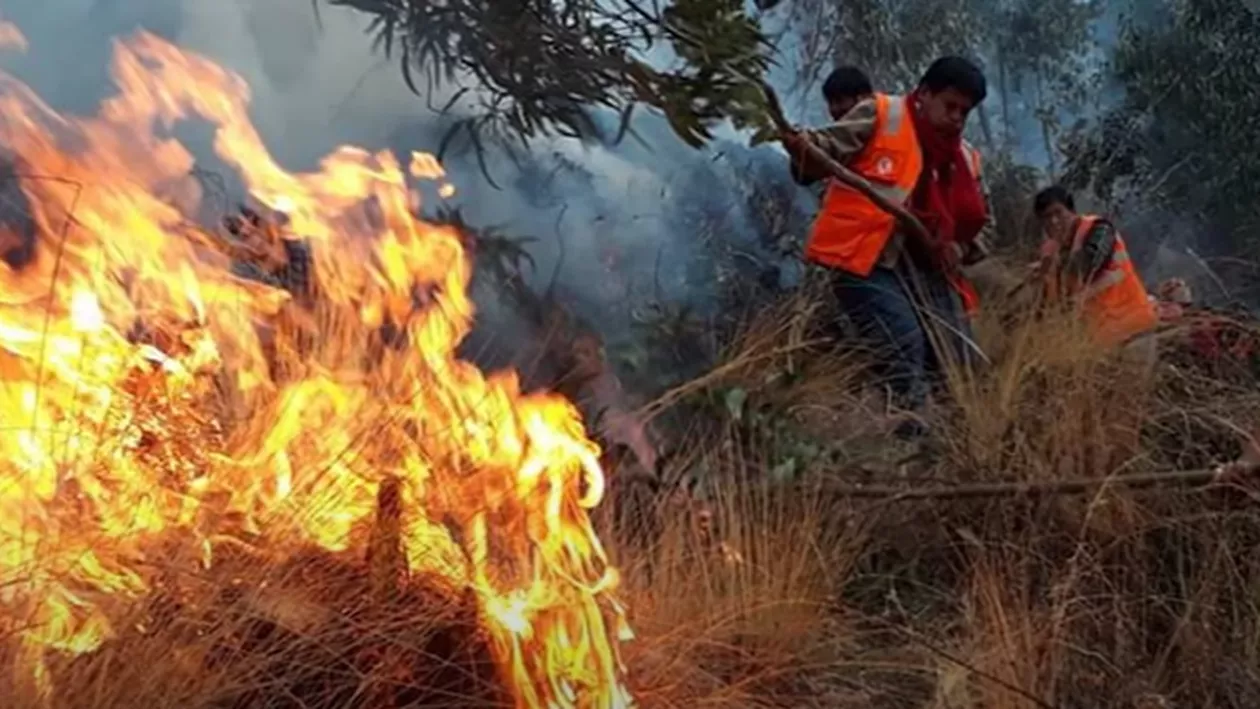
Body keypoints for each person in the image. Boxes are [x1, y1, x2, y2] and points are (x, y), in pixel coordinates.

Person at [783, 56, 994, 437]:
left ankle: (955, 445)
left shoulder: (964, 158)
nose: (957, 118)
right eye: (950, 106)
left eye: (965, 111)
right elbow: (820, 152)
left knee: (957, 356)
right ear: (925, 93)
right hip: (865, 261)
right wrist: (800, 145)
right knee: (902, 341)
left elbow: (980, 230)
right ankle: (910, 441)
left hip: (929, 272)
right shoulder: (881, 114)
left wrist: (958, 250)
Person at [1032, 185, 1157, 346]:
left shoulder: (1100, 229)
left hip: (1133, 331)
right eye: (1046, 217)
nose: (1054, 222)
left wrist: (1054, 265)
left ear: (1072, 212)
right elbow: (1048, 302)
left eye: (1058, 213)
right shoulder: (1049, 251)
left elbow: (1090, 262)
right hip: (1095, 338)